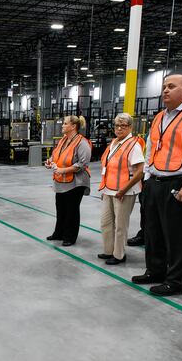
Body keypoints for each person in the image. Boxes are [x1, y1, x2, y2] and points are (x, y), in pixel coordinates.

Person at [130, 74, 182, 296]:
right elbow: (151, 149)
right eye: (164, 87)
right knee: (152, 231)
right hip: (155, 182)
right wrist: (147, 178)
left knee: (177, 235)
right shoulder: (159, 117)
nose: (165, 91)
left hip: (179, 183)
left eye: (171, 86)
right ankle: (155, 271)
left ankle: (175, 281)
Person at [97, 113, 145, 265]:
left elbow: (139, 172)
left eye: (123, 126)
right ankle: (109, 250)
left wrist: (124, 190)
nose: (119, 128)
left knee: (120, 225)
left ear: (130, 127)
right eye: (117, 125)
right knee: (106, 222)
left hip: (124, 192)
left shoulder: (134, 145)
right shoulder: (114, 143)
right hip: (109, 190)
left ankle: (119, 255)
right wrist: (104, 189)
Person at [44, 115, 92, 246]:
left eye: (65, 124)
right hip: (61, 181)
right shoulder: (63, 140)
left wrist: (63, 170)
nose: (62, 126)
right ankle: (59, 233)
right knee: (61, 208)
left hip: (76, 182)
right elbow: (55, 155)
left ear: (73, 126)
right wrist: (50, 162)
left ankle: (70, 237)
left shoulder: (82, 143)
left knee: (72, 210)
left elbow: (83, 163)